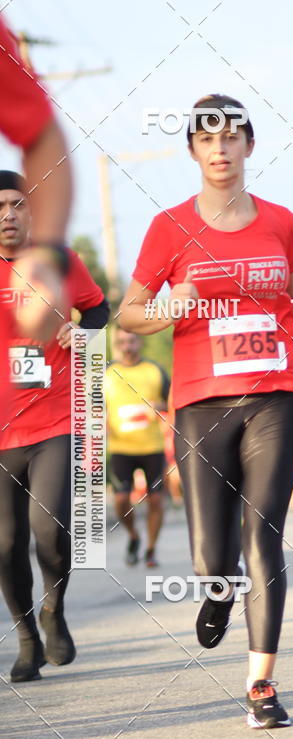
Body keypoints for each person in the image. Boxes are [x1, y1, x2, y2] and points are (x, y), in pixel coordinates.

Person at [117, 94, 293, 728]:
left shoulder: (283, 222)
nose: (221, 148)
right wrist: (168, 310)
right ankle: (216, 591)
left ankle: (262, 684)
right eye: (208, 139)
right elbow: (128, 313)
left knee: (263, 536)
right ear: (193, 152)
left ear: (249, 147)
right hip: (202, 404)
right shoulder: (168, 228)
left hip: (276, 394)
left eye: (233, 137)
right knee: (212, 556)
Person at [0, 172, 109, 683]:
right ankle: (26, 638)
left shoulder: (57, 260)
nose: (8, 214)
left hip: (55, 419)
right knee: (4, 544)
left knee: (50, 530)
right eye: (0, 206)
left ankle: (53, 607)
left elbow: (99, 308)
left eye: (18, 204)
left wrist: (78, 329)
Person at [0, 14, 73, 346]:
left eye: (17, 205)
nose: (9, 215)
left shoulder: (63, 264)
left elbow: (43, 136)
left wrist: (45, 255)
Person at [105, 327, 170, 567]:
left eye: (131, 341)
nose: (127, 346)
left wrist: (159, 405)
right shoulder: (108, 372)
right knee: (121, 499)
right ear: (117, 344)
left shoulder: (154, 370)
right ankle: (133, 535)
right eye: (122, 342)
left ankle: (151, 550)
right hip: (121, 447)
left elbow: (172, 401)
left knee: (155, 500)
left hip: (152, 445)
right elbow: (93, 406)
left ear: (138, 342)